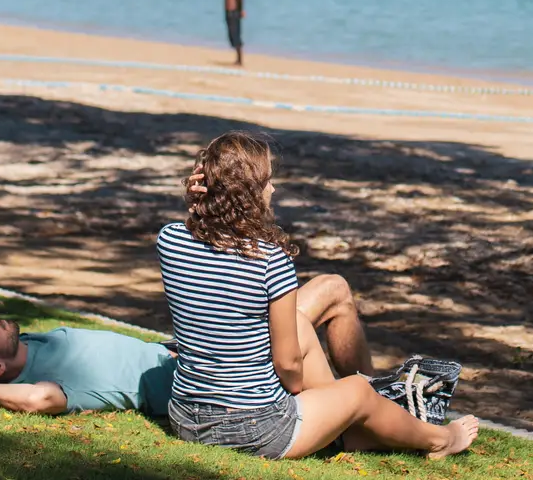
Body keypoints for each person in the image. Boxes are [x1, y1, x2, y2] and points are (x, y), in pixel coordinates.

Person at [156, 132, 475, 461]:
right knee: (355, 391)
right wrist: (293, 386)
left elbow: (196, 229)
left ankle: (357, 425)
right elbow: (289, 365)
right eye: (267, 181)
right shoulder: (268, 261)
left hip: (186, 416)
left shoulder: (170, 240)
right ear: (248, 193)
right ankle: (440, 439)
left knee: (320, 301)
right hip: (253, 427)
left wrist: (196, 202)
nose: (273, 188)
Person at [0, 274, 375, 417]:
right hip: (211, 371)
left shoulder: (5, 351)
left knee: (332, 296)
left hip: (191, 350)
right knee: (332, 291)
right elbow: (36, 401)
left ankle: (362, 398)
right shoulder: (48, 384)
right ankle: (361, 402)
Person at [221, 0, 245, 67]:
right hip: (228, 11)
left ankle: (239, 59)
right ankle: (237, 58)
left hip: (234, 11)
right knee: (231, 34)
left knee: (236, 34)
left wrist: (241, 10)